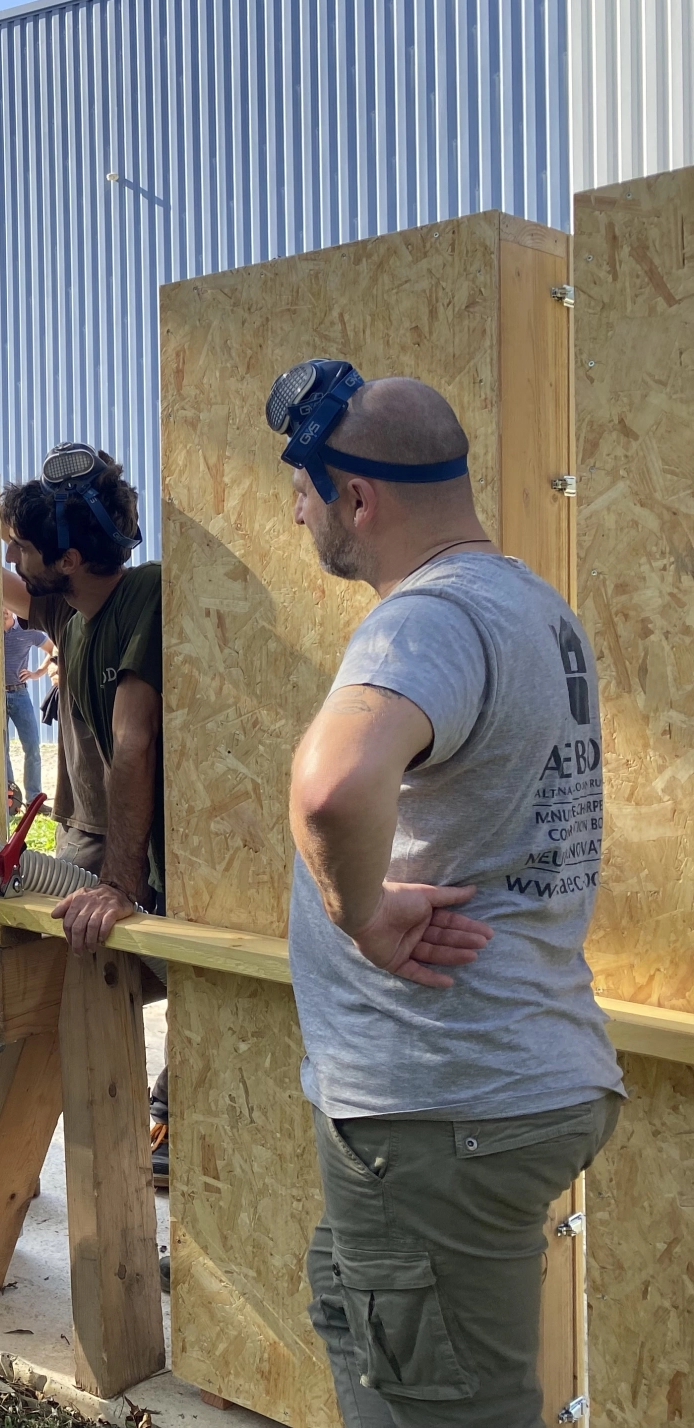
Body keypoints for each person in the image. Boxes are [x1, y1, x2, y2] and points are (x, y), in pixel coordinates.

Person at [277, 367, 623, 1427]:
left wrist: (359, 913)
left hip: (440, 1105)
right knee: (365, 1338)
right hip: (485, 1082)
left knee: (443, 1410)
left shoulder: (419, 621)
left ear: (358, 499)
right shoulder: (527, 603)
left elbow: (332, 788)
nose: (295, 511)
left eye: (302, 487)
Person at [1, 446, 172, 1189]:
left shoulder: (144, 600)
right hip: (87, 840)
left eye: (25, 549)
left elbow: (135, 746)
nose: (14, 558)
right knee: (17, 956)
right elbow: (2, 587)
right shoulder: (67, 610)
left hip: (144, 854)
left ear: (68, 558)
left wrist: (122, 885)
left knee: (191, 990)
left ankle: (164, 1121)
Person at [1, 606, 52, 811]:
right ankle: (11, 801)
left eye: (7, 605)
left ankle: (34, 800)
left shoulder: (27, 631)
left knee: (31, 746)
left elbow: (52, 649)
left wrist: (37, 673)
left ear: (13, 609)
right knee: (1, 749)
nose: (4, 609)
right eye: (0, 604)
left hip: (20, 694)